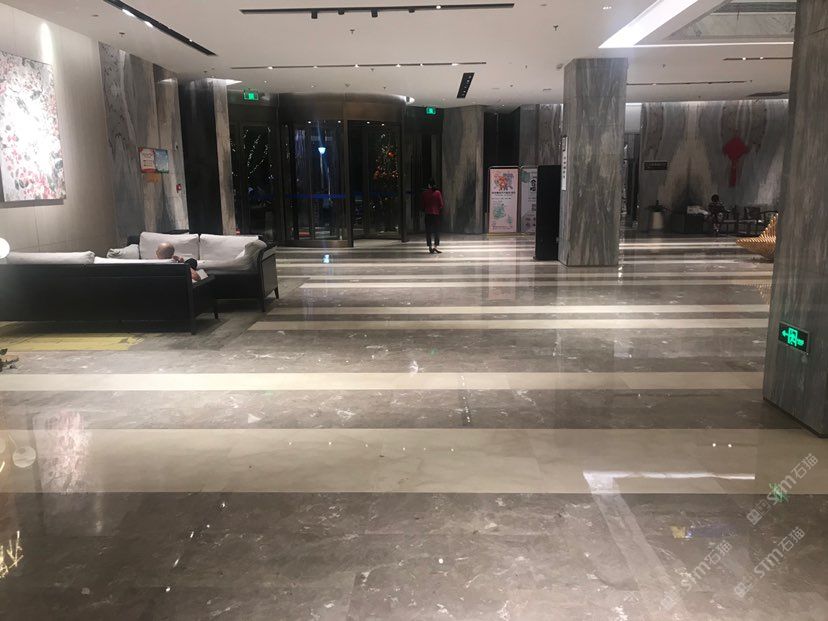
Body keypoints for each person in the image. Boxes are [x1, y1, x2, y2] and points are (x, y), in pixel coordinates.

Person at [421, 180, 444, 254]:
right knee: (436, 231)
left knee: (428, 231)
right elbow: (441, 204)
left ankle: (430, 246)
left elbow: (423, 205)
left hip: (428, 214)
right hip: (435, 215)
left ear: (429, 185)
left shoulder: (425, 193)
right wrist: (437, 209)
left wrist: (425, 209)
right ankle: (435, 246)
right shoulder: (438, 193)